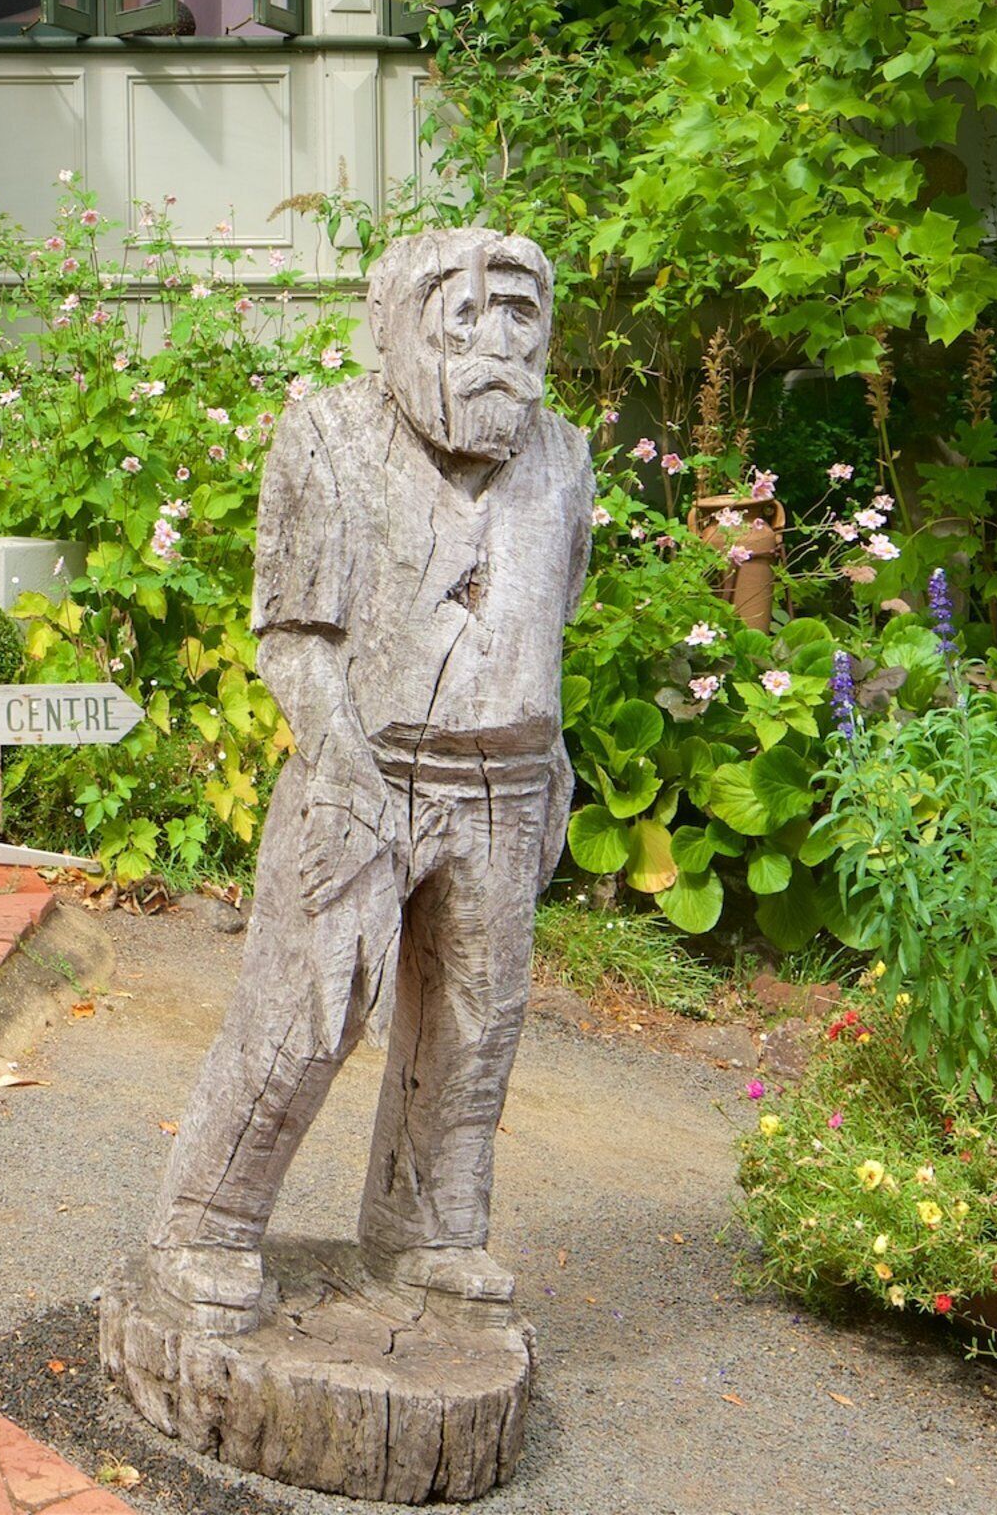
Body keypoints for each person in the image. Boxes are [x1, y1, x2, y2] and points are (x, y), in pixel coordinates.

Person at [139, 227, 593, 1332]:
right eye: (465, 316)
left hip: (509, 777)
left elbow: (552, 619)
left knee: (477, 1025)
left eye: (520, 316)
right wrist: (343, 771)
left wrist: (555, 759)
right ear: (401, 325)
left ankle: (429, 1233)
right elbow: (293, 633)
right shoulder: (333, 435)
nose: (496, 344)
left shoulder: (564, 458)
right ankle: (205, 1223)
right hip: (366, 763)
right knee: (310, 1010)